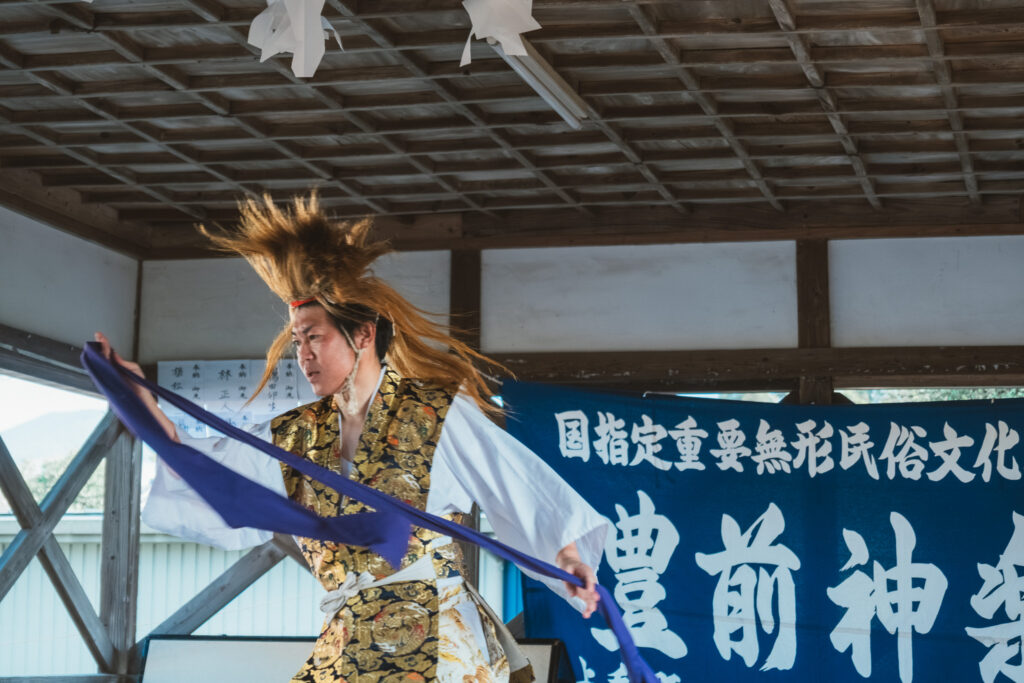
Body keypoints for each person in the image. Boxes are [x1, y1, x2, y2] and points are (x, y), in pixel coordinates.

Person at [95, 194, 607, 683]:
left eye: (314, 336)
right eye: (297, 340)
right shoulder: (294, 433)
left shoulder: (434, 413)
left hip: (440, 638)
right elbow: (208, 474)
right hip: (348, 638)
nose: (303, 354)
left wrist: (565, 558)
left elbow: (516, 486)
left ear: (363, 334)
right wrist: (139, 402)